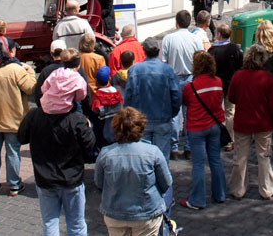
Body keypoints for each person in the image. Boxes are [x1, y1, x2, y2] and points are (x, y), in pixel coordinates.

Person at [124, 37, 181, 230]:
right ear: (157, 51)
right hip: (162, 120)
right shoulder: (167, 70)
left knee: (143, 164)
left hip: (142, 122)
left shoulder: (135, 70)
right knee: (162, 164)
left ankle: (144, 202)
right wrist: (170, 114)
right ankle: (163, 210)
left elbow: (129, 97)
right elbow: (176, 96)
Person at [18, 102, 95, 236]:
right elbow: (90, 145)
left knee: (50, 222)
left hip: (45, 178)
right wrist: (88, 128)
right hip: (71, 179)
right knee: (76, 223)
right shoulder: (77, 118)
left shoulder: (34, 115)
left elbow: (21, 137)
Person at [94, 106, 172, 236]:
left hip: (115, 214)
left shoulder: (105, 154)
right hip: (146, 213)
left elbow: (99, 183)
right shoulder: (153, 152)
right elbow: (166, 183)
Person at [0, 43, 36, 197]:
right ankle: (14, 185)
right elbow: (31, 88)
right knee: (12, 151)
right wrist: (30, 71)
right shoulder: (16, 70)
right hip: (12, 118)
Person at [227, 44, 273, 200]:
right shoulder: (267, 78)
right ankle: (267, 188)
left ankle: (238, 188)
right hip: (263, 122)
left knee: (240, 158)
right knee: (264, 157)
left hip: (243, 121)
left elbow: (231, 98)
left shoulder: (238, 76)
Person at [180, 51, 227, 210]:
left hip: (196, 127)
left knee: (198, 164)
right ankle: (220, 193)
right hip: (214, 125)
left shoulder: (190, 86)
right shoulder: (218, 81)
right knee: (215, 160)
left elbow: (185, 102)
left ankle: (198, 199)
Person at [161, 10, 204, 159]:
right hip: (191, 79)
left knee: (174, 115)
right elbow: (201, 61)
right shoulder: (196, 39)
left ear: (176, 23)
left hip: (173, 77)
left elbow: (164, 61)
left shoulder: (168, 39)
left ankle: (173, 148)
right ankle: (188, 147)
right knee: (189, 114)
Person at [209, 23, 243, 142]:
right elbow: (240, 66)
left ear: (219, 34)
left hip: (216, 85)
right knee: (230, 112)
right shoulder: (235, 49)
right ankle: (230, 139)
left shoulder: (212, 50)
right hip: (231, 84)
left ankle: (217, 136)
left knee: (216, 110)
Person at [41, 48, 88, 115]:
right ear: (78, 66)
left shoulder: (55, 73)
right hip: (66, 109)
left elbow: (44, 88)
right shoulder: (78, 78)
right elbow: (81, 95)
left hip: (48, 107)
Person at [90, 66, 123, 148]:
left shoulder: (97, 96)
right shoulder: (117, 93)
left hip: (103, 132)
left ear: (97, 80)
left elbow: (94, 113)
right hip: (117, 130)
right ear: (109, 78)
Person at [34, 39, 67, 104]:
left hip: (51, 108)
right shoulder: (72, 68)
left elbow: (38, 94)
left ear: (51, 54)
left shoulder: (45, 71)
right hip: (70, 107)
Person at [79, 33, 106, 98]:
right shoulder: (99, 58)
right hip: (95, 93)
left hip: (80, 93)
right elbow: (103, 78)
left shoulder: (76, 58)